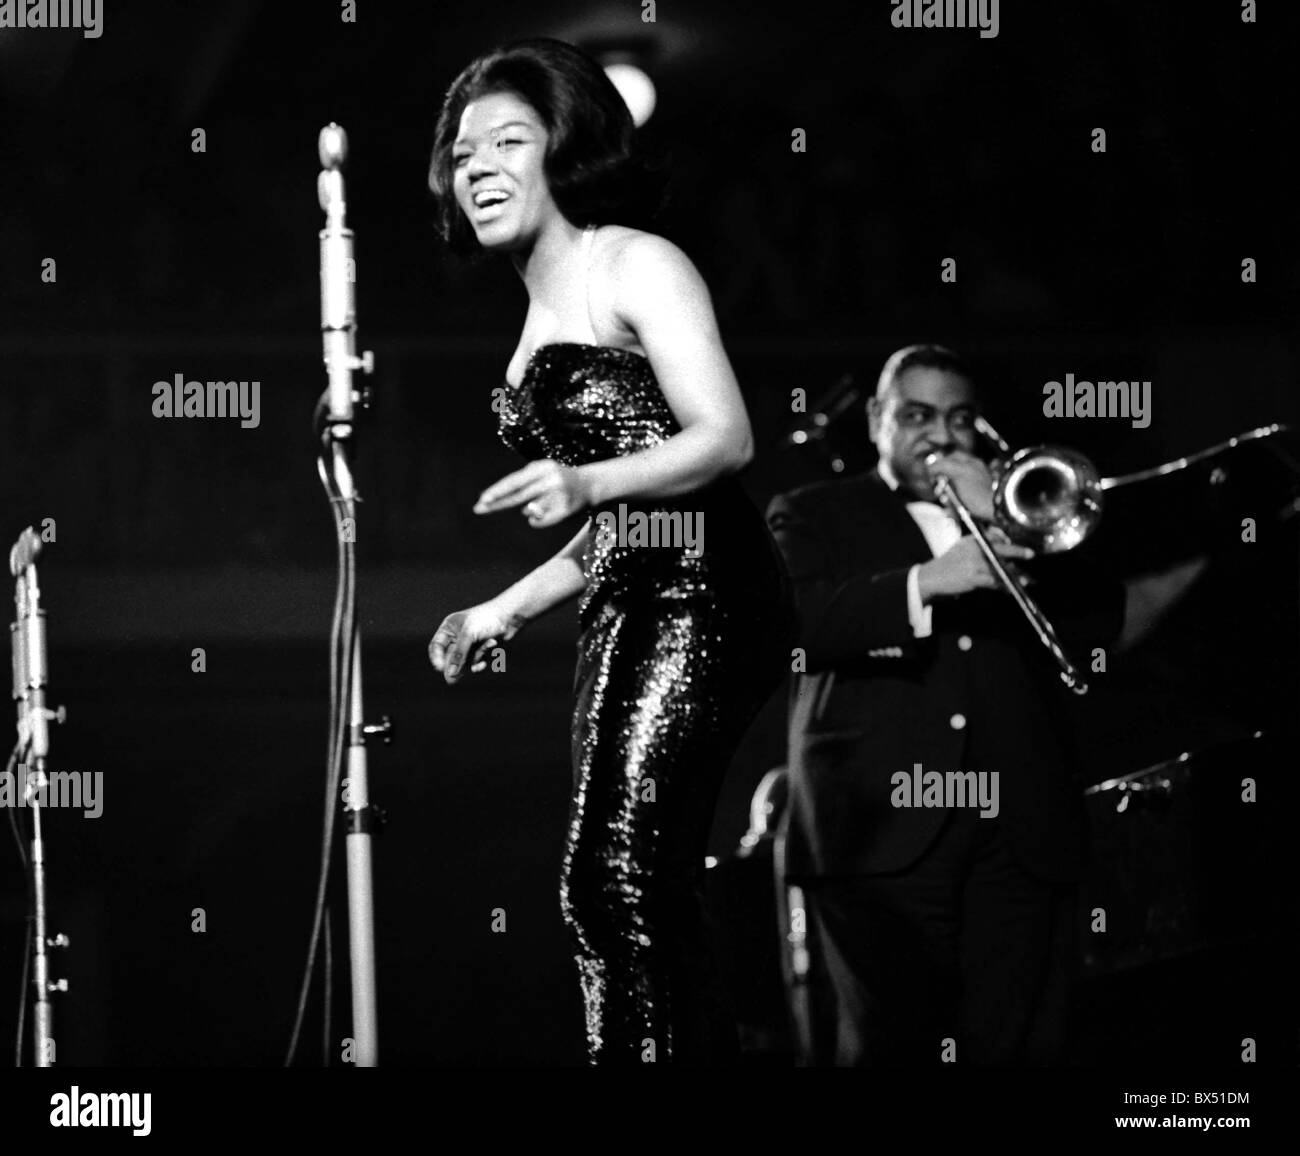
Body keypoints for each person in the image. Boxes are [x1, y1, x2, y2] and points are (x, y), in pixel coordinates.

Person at [425, 38, 795, 1066]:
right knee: (628, 881)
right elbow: (625, 513)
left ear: (565, 150)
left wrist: (585, 481)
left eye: (510, 140)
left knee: (614, 875)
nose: (481, 167)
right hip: (631, 596)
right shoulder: (530, 310)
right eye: (463, 154)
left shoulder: (630, 259)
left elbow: (723, 439)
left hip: (704, 592)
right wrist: (504, 607)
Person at [767, 344, 1123, 1066]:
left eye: (960, 418)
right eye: (918, 415)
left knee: (1017, 1046)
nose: (942, 435)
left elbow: (1100, 622)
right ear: (876, 421)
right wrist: (927, 582)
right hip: (872, 831)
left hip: (1018, 831)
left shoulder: (1023, 514)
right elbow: (790, 627)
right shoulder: (811, 511)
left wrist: (1010, 523)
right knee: (888, 1051)